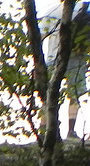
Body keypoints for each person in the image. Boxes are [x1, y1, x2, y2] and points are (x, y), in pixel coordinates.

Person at [42, 1, 90, 139]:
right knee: (74, 94)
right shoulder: (84, 8)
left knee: (49, 95)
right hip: (76, 58)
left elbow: (39, 37)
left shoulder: (50, 11)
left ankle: (44, 130)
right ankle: (71, 131)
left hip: (53, 57)